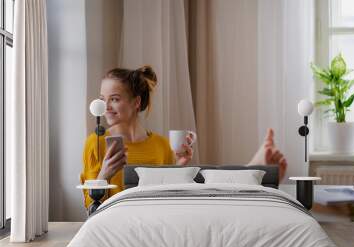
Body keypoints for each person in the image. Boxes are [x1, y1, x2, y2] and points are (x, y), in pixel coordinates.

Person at [81, 65, 287, 209]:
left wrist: (181, 167)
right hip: (122, 218)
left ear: (136, 102)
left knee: (204, 195)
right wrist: (104, 175)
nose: (105, 107)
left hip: (159, 217)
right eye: (102, 99)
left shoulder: (161, 145)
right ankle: (252, 175)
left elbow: (171, 197)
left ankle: (251, 176)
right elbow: (91, 208)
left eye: (114, 99)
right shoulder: (96, 143)